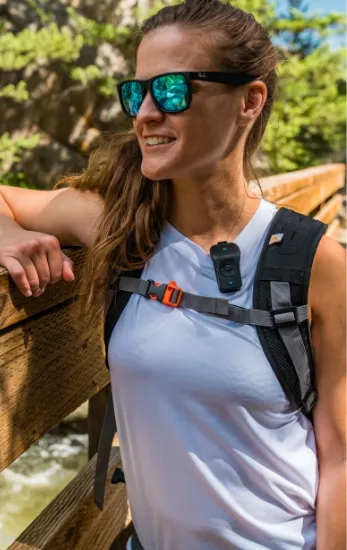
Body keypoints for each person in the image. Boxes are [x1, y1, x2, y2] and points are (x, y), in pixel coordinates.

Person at [1, 0, 347, 548]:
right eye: (137, 93)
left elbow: (342, 460)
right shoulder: (121, 230)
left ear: (249, 101)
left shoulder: (316, 263)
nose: (144, 114)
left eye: (172, 90)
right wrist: (10, 236)